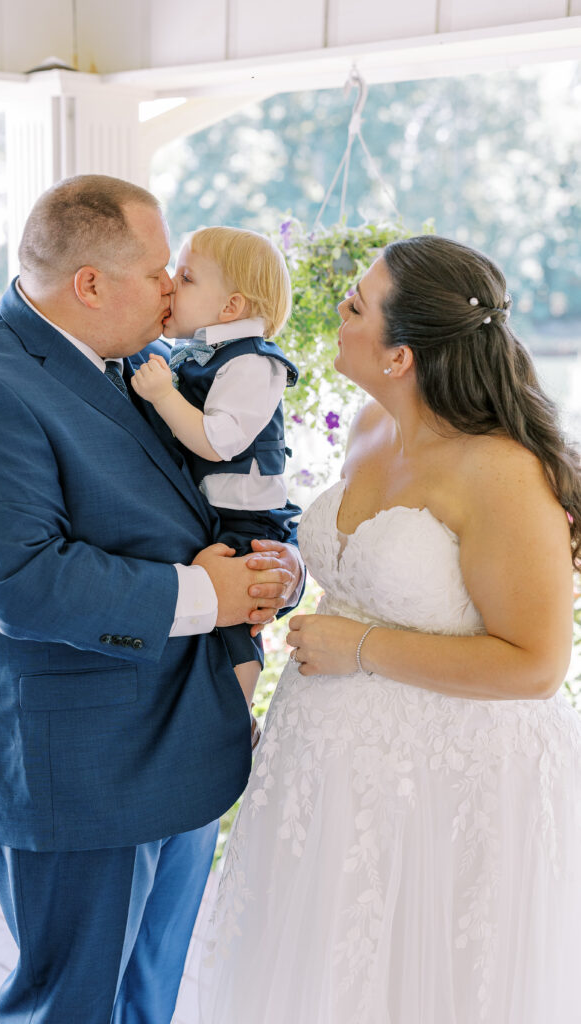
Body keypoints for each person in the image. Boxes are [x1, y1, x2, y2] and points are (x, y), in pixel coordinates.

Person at [0, 174, 303, 1024]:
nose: (171, 287)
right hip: (80, 764)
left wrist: (275, 569)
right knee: (74, 1007)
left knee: (149, 998)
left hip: (184, 746)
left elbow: (231, 486)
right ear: (90, 283)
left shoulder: (146, 363)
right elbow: (23, 582)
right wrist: (208, 592)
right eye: (160, 268)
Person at [199, 235, 581, 1024]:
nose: (335, 315)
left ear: (400, 354)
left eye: (353, 307)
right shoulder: (369, 425)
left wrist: (361, 649)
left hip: (447, 781)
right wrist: (298, 574)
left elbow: (536, 666)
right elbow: (374, 572)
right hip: (330, 773)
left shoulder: (501, 470)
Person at [131, 226, 300, 744]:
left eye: (185, 277)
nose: (170, 285)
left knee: (240, 616)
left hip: (247, 517)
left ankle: (238, 712)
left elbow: (217, 442)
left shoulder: (253, 361)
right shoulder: (195, 352)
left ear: (230, 306)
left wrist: (163, 396)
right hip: (218, 512)